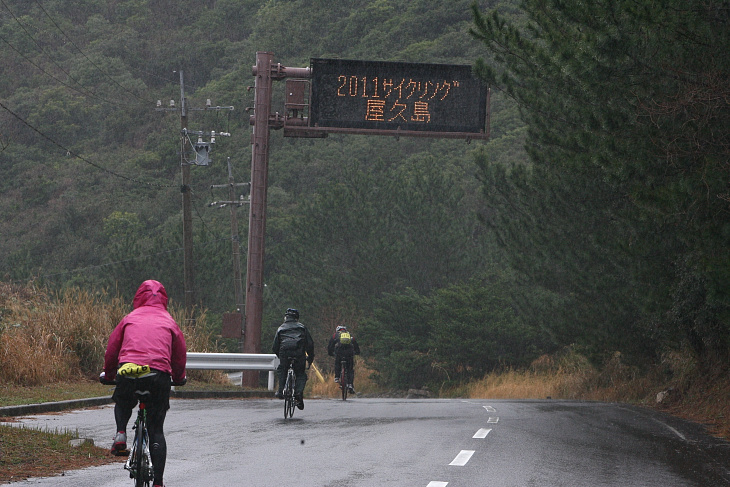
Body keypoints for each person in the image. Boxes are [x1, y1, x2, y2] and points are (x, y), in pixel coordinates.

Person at [103, 280, 187, 487]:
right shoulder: (169, 321)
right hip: (158, 375)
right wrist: (178, 377)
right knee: (156, 429)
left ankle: (121, 433)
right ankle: (158, 482)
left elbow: (112, 349)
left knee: (123, 401)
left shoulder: (129, 318)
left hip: (128, 371)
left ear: (138, 297)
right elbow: (179, 355)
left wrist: (109, 374)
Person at [272, 308, 314, 410]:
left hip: (284, 353)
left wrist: (280, 356)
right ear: (297, 318)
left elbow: (275, 347)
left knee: (282, 369)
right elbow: (310, 344)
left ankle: (280, 391)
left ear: (286, 318)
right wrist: (310, 357)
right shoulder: (302, 327)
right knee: (300, 374)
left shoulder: (280, 328)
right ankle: (298, 393)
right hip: (299, 354)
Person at [327, 324, 360, 393]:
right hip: (349, 353)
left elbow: (330, 345)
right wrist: (357, 352)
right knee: (350, 369)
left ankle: (337, 377)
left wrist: (330, 353)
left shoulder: (335, 335)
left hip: (339, 352)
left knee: (337, 363)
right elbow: (356, 345)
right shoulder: (350, 335)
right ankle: (350, 384)